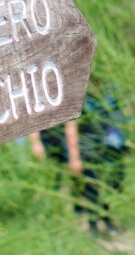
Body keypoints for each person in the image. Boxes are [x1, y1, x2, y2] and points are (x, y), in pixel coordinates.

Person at [31, 91, 128, 236]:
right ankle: (93, 224)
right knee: (90, 186)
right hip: (85, 146)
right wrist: (74, 157)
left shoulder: (107, 91)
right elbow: (71, 125)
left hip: (105, 143)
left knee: (109, 184)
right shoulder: (77, 91)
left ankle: (106, 219)